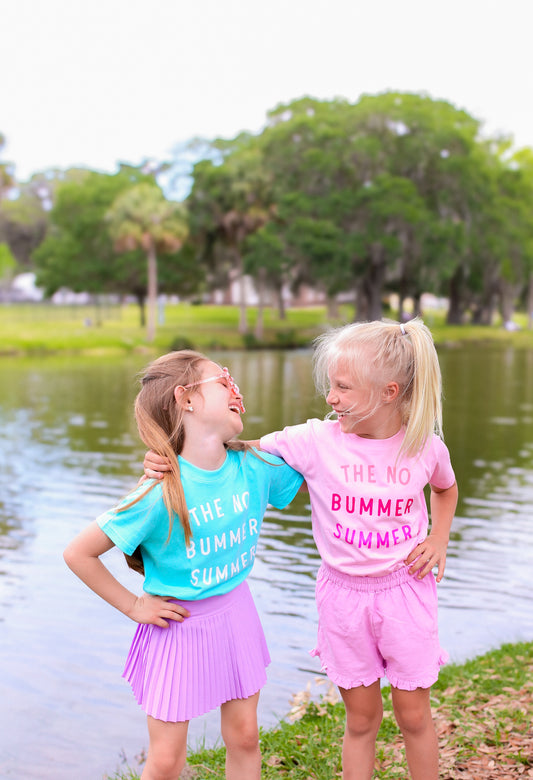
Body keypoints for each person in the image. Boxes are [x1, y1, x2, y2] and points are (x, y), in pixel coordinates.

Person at [144, 319, 458, 780]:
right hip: (343, 600)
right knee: (361, 719)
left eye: (343, 388)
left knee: (413, 715)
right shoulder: (314, 441)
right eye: (331, 386)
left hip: (405, 594)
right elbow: (232, 450)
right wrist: (168, 456)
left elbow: (445, 490)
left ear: (389, 392)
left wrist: (439, 537)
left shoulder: (423, 446)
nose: (331, 398)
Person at [64, 350, 303, 780]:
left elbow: (319, 457)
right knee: (168, 759)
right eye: (221, 380)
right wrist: (135, 607)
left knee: (246, 736)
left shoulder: (255, 466)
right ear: (186, 399)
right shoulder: (158, 491)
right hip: (176, 628)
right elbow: (78, 553)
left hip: (236, 616)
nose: (235, 388)